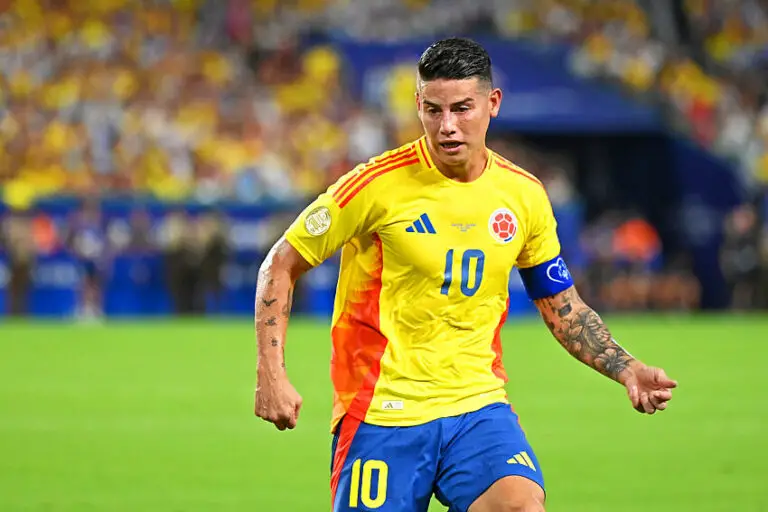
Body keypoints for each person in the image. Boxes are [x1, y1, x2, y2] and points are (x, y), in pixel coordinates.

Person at [254, 37, 678, 512]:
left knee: (521, 507)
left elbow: (564, 308)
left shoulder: (523, 196)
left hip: (477, 407)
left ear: (492, 103)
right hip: (382, 410)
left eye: (462, 108)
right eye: (433, 110)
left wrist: (627, 368)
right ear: (418, 104)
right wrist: (271, 374)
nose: (448, 126)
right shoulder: (374, 186)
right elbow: (280, 265)